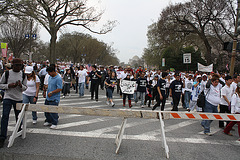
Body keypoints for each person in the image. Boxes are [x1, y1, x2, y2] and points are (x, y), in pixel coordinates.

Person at [0, 58, 27, 148]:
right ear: (13, 65)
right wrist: (9, 86)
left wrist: (20, 85)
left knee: (18, 116)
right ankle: (2, 137)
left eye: (20, 65)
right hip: (8, 97)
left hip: (18, 98)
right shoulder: (7, 73)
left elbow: (25, 87)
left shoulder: (23, 75)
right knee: (5, 117)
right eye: (17, 65)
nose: (19, 67)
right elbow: (1, 85)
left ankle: (19, 130)